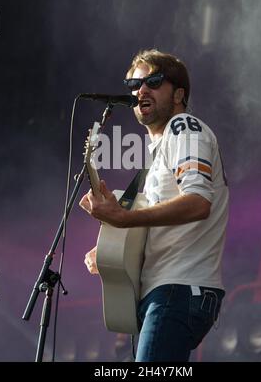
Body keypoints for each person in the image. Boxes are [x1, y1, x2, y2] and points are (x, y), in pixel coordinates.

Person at [79, 49, 229, 362]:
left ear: (179, 94)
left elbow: (199, 202)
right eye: (134, 85)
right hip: (167, 289)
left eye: (153, 81)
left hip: (179, 288)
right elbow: (158, 225)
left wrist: (122, 219)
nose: (141, 90)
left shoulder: (184, 128)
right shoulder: (159, 150)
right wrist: (111, 248)